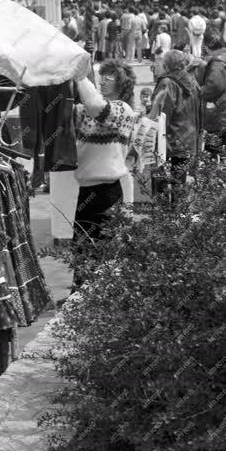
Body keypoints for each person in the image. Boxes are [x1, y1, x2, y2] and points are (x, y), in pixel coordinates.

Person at [71, 60, 136, 289]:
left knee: (104, 246)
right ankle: (81, 292)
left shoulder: (122, 109)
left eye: (111, 77)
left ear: (123, 82)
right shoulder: (87, 110)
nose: (104, 80)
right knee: (82, 245)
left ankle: (103, 295)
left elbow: (96, 108)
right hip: (87, 190)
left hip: (108, 191)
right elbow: (76, 110)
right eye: (103, 75)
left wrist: (80, 77)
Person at [149, 49, 203, 200]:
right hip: (188, 136)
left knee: (160, 174)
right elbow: (200, 110)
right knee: (180, 178)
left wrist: (155, 138)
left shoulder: (167, 82)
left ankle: (162, 210)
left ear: (167, 65)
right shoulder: (192, 80)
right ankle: (177, 212)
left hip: (169, 137)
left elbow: (163, 114)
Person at [201, 32, 226, 158]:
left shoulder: (216, 64)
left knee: (211, 148)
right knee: (225, 145)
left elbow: (214, 86)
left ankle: (209, 175)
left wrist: (199, 91)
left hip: (216, 110)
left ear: (207, 46)